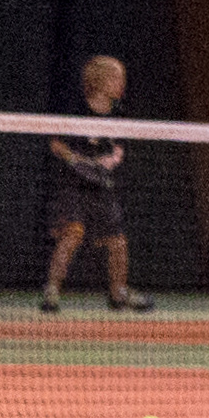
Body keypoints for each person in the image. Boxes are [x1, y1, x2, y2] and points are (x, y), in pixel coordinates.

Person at [39, 53, 145, 316]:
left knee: (118, 242)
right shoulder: (75, 108)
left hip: (102, 186)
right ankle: (52, 290)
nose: (121, 83)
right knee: (72, 234)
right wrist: (75, 159)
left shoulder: (118, 114)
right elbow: (56, 143)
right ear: (99, 81)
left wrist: (110, 160)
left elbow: (119, 149)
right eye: (116, 78)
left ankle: (118, 293)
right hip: (72, 185)